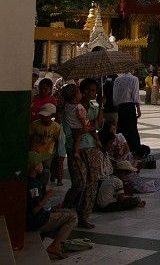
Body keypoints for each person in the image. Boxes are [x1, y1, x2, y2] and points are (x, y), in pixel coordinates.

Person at [60, 83, 99, 229]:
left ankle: (84, 215)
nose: (91, 93)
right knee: (79, 183)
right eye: (89, 90)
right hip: (75, 148)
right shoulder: (69, 109)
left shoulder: (93, 108)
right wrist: (84, 130)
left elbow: (98, 125)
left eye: (94, 91)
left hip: (90, 147)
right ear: (81, 92)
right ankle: (65, 209)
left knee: (91, 182)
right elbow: (69, 131)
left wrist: (101, 106)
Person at [27, 152, 78, 260]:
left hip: (39, 217)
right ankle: (55, 246)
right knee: (72, 217)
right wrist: (47, 196)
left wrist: (52, 208)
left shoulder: (33, 182)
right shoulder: (33, 185)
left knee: (67, 212)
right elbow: (35, 210)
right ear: (35, 166)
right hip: (37, 221)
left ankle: (55, 242)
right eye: (40, 163)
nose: (43, 166)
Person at [29, 103, 61, 190]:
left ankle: (43, 187)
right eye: (42, 116)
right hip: (36, 151)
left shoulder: (56, 127)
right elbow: (31, 137)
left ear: (52, 115)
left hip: (48, 152)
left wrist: (56, 152)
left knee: (46, 169)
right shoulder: (35, 124)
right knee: (34, 169)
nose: (43, 118)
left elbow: (57, 140)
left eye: (46, 116)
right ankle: (34, 188)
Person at [113, 69, 141, 151]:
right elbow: (135, 95)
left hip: (120, 107)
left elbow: (115, 97)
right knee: (131, 129)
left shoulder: (117, 79)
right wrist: (138, 108)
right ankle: (133, 149)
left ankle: (120, 148)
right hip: (129, 106)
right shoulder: (134, 79)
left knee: (121, 128)